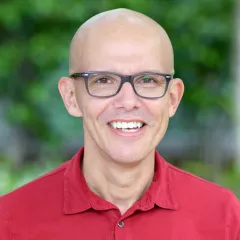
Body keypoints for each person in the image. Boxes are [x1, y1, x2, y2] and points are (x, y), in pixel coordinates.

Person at [0, 8, 239, 240]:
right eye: (103, 80)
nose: (128, 101)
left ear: (173, 98)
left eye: (147, 80)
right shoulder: (10, 221)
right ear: (71, 97)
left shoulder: (223, 217)